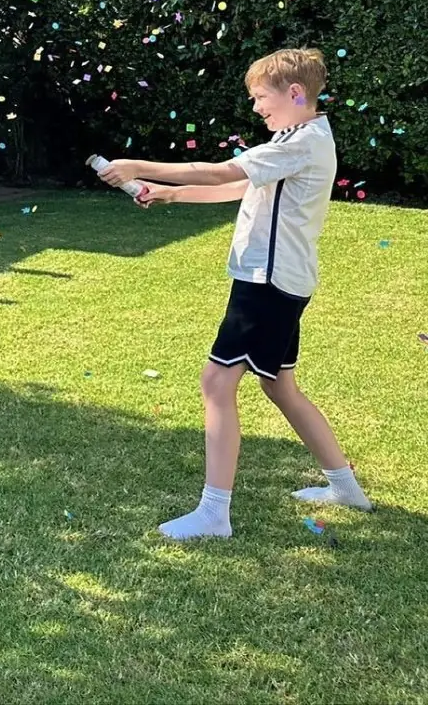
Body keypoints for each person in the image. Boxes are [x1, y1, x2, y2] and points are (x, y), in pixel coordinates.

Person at [98, 47, 372, 540]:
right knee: (279, 384)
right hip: (280, 281)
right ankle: (345, 486)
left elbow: (220, 171)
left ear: (295, 93)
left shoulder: (303, 142)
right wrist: (169, 192)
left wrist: (135, 164)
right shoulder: (298, 138)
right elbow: (241, 187)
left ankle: (214, 513)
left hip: (267, 283)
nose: (255, 107)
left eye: (260, 97)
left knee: (216, 383)